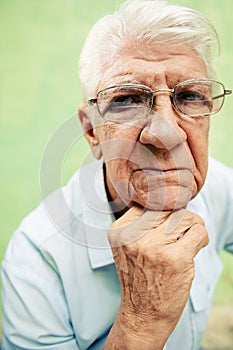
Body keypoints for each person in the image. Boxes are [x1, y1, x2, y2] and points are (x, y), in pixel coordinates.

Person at [1, 0, 233, 349]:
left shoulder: (217, 184)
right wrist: (142, 322)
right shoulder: (37, 258)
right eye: (127, 100)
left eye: (189, 95)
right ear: (92, 131)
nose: (167, 133)